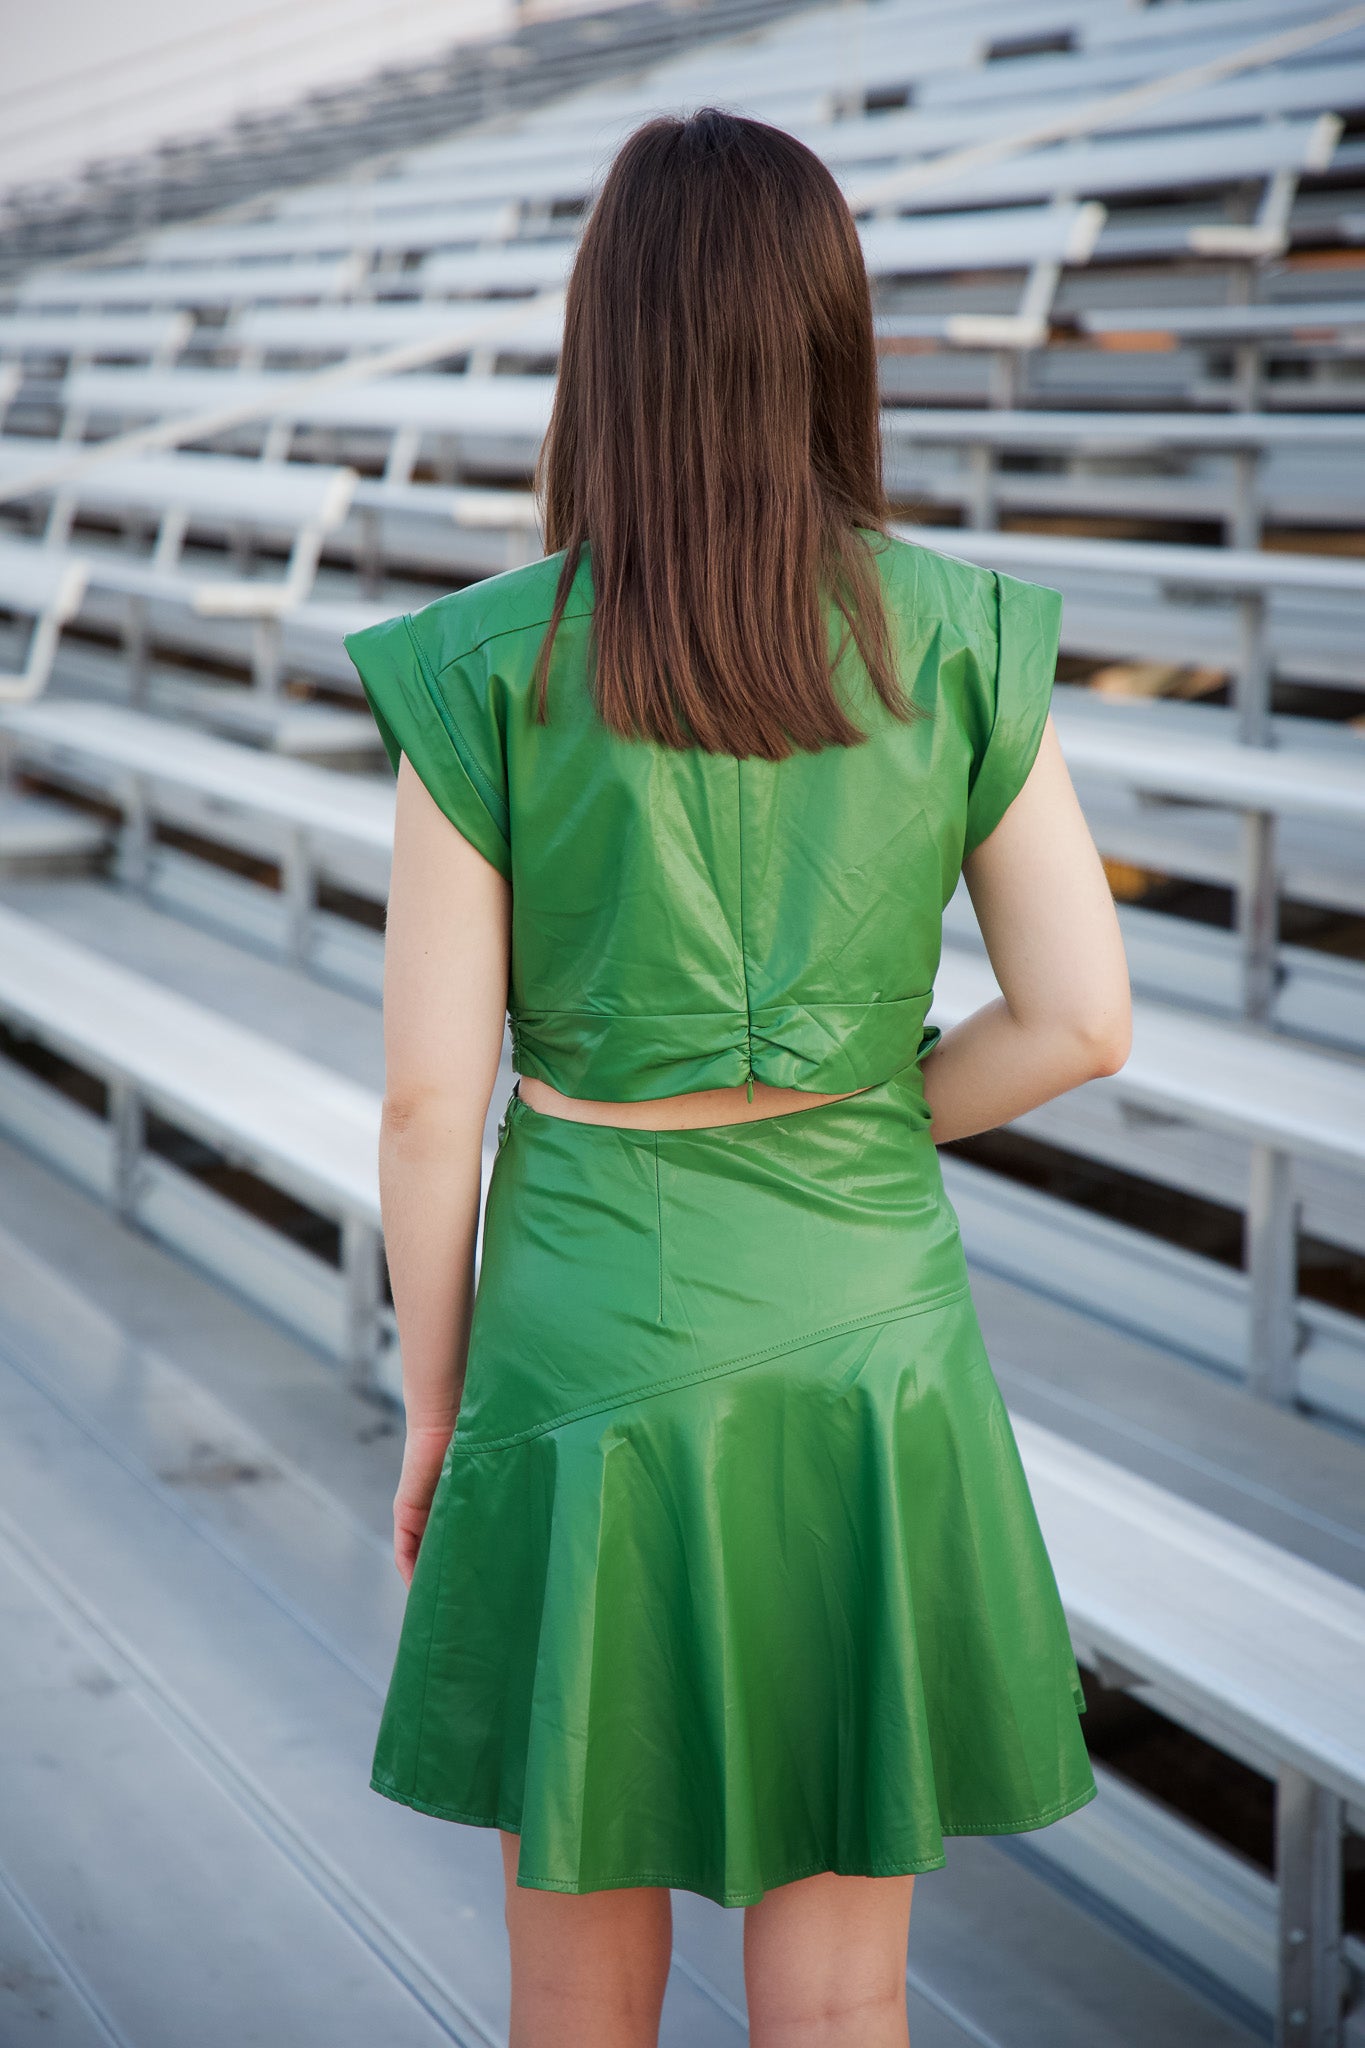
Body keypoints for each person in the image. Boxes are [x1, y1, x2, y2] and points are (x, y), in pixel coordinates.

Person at [344, 107, 1131, 2048]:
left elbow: (429, 1108)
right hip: (870, 1333)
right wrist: (868, 1116)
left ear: (597, 343)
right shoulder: (956, 635)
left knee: (577, 1992)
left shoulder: (485, 667)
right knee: (843, 1992)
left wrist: (434, 1397)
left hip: (576, 1327)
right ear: (827, 334)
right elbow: (1081, 1018)